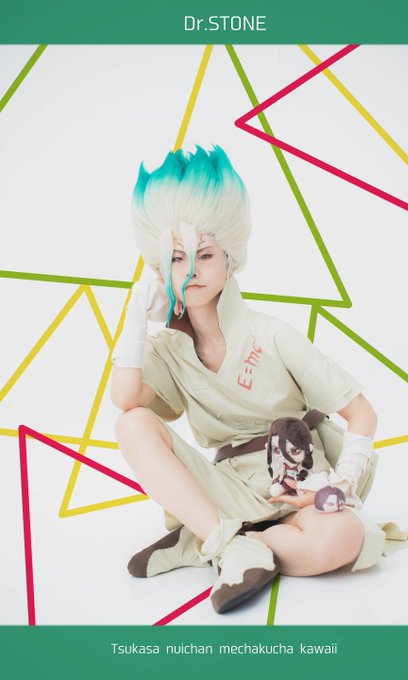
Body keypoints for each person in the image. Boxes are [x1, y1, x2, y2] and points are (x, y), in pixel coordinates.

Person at [111, 145, 387, 615]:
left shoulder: (272, 334)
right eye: (176, 259)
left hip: (299, 483)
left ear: (230, 259)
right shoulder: (166, 350)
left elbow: (361, 413)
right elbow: (125, 399)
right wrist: (135, 318)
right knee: (130, 422)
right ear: (158, 269)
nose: (191, 271)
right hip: (227, 486)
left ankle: (219, 542)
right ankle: (227, 543)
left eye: (204, 255)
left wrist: (340, 485)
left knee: (343, 537)